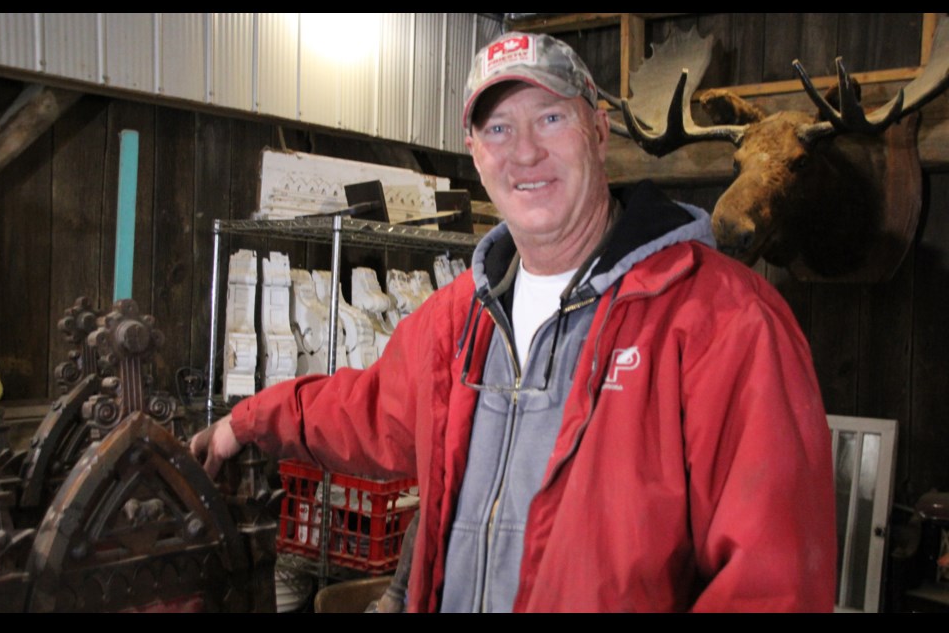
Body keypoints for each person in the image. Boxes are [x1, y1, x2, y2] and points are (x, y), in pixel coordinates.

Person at [191, 31, 836, 613]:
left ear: (598, 131)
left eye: (550, 117)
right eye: (498, 128)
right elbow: (367, 408)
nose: (524, 152)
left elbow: (773, 584)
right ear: (474, 153)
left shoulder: (724, 321)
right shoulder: (457, 318)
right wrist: (243, 423)